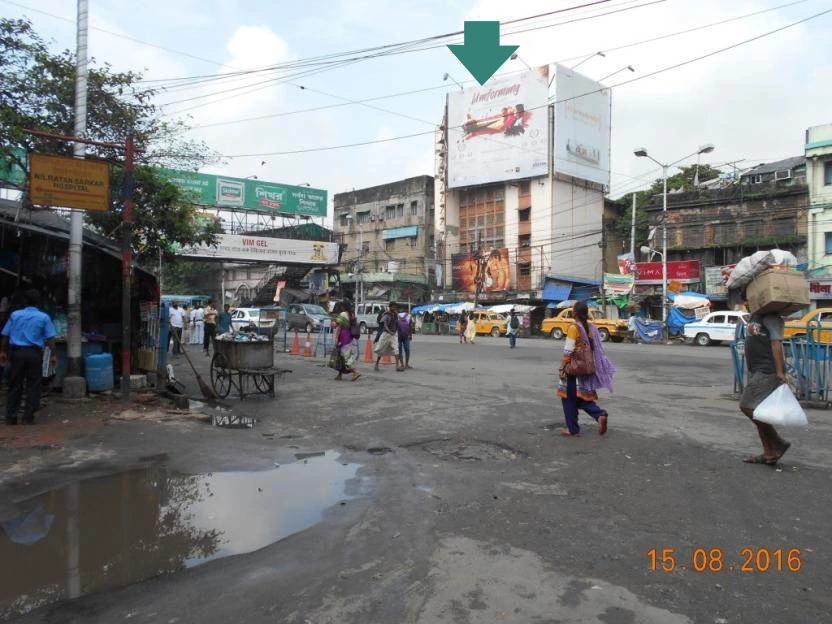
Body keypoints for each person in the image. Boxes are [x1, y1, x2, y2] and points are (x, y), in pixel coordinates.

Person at [739, 311, 791, 465]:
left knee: (746, 406)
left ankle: (778, 442)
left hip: (767, 370)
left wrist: (780, 371)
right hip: (756, 369)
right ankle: (769, 453)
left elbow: (777, 343)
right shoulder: (756, 316)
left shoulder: (772, 318)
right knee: (758, 411)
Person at [557, 301, 616, 437]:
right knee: (580, 396)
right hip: (586, 368)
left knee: (568, 397)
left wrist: (562, 367)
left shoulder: (574, 328)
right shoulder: (591, 327)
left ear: (575, 313)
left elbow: (568, 351)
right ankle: (599, 415)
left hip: (574, 368)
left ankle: (574, 429)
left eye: (573, 310)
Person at [0, 289, 57, 425]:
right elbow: (50, 339)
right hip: (34, 354)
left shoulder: (15, 315)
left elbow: (5, 335)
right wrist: (53, 355)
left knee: (14, 385)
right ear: (38, 302)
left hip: (17, 353)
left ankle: (11, 416)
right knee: (33, 386)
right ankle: (28, 416)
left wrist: (2, 352)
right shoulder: (44, 317)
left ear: (25, 301)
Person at [332, 303, 361, 381]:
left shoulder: (343, 314)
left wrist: (336, 339)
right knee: (341, 357)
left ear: (343, 307)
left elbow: (338, 327)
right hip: (350, 337)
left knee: (346, 357)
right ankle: (339, 375)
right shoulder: (352, 314)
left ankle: (355, 372)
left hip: (343, 337)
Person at [374, 303, 403, 371]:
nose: (394, 308)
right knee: (381, 349)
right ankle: (376, 364)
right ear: (390, 307)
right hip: (386, 334)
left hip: (394, 334)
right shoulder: (386, 315)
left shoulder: (395, 314)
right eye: (393, 307)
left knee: (396, 349)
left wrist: (397, 313)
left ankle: (397, 366)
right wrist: (390, 332)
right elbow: (385, 325)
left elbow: (400, 321)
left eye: (395, 307)